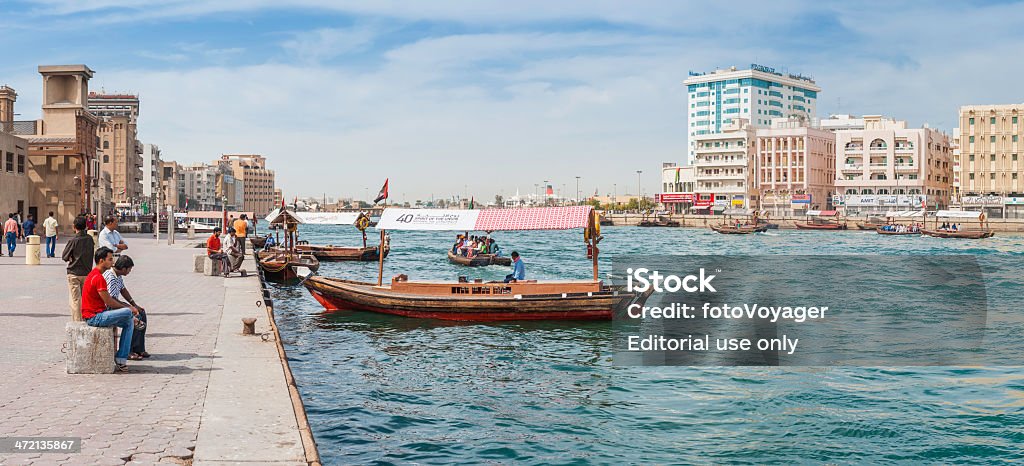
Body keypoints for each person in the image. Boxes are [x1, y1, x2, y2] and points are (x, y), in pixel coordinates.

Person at [82, 247, 139, 371]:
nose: (112, 262)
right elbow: (109, 302)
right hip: (94, 317)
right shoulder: (98, 278)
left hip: (99, 313)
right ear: (101, 261)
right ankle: (123, 356)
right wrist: (129, 308)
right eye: (109, 259)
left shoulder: (97, 275)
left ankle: (121, 359)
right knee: (128, 313)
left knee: (129, 322)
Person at [105, 255, 149, 360]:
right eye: (129, 269)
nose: (129, 271)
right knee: (134, 317)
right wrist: (129, 308)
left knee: (141, 312)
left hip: (115, 303)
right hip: (109, 307)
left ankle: (138, 347)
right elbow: (111, 299)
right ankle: (128, 350)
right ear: (124, 268)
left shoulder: (118, 275)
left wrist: (134, 305)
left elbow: (123, 290)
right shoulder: (111, 277)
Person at [62, 216, 94, 321]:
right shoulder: (90, 239)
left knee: (76, 299)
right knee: (85, 298)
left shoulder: (73, 240)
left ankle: (77, 323)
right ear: (85, 226)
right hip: (87, 272)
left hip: (74, 273)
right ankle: (85, 319)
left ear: (74, 226)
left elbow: (64, 256)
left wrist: (71, 257)